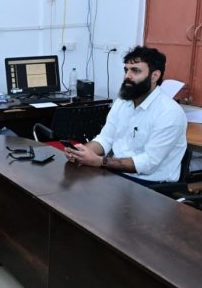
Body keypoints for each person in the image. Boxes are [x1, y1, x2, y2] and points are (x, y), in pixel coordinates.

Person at [64, 45, 187, 184]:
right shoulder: (123, 102)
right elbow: (105, 139)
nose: (127, 76)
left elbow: (148, 163)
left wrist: (100, 161)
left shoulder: (170, 113)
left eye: (135, 71)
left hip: (149, 184)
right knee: (70, 185)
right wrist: (81, 152)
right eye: (126, 70)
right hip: (116, 174)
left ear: (155, 76)